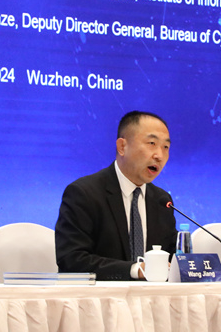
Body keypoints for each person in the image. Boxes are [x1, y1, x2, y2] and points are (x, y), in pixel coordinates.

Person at [55, 111, 177, 280]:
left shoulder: (161, 201)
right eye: (152, 143)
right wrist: (134, 270)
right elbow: (71, 260)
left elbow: (173, 258)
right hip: (100, 296)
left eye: (166, 147)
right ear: (122, 147)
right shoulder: (84, 194)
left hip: (153, 296)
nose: (159, 156)